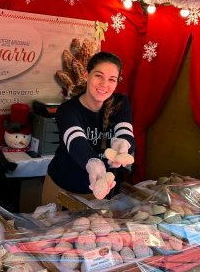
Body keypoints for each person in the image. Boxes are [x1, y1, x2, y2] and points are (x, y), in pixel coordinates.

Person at [41, 51, 135, 204]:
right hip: (61, 187)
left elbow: (125, 132)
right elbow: (76, 141)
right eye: (99, 76)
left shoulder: (120, 104)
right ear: (86, 75)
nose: (104, 84)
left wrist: (124, 145)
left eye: (112, 79)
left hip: (98, 192)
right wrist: (92, 163)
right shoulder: (67, 110)